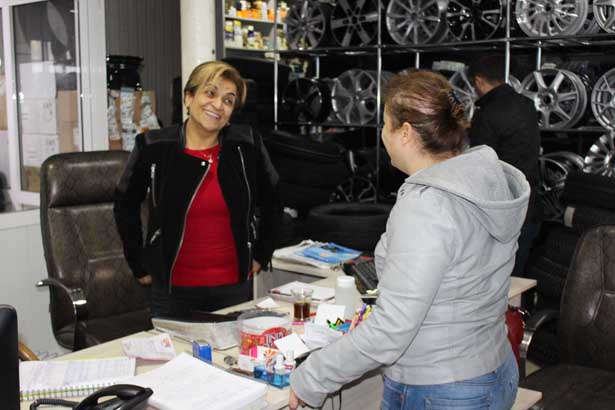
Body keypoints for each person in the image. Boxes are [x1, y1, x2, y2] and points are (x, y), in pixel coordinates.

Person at [289, 70, 530, 410]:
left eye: (385, 124)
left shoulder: (427, 205)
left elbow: (391, 330)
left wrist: (312, 377)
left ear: (404, 132)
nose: (382, 134)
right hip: (493, 369)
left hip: (441, 389)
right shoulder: (483, 180)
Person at [114, 61, 280, 316]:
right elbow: (125, 204)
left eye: (228, 100)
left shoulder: (247, 143)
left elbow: (274, 198)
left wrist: (261, 253)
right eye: (210, 93)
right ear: (188, 98)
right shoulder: (153, 146)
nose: (218, 105)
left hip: (234, 287)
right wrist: (139, 263)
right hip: (172, 289)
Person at [468, 55, 542, 278]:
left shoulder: (487, 114)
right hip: (529, 206)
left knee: (497, 282)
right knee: (517, 279)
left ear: (479, 81)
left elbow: (479, 167)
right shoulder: (527, 105)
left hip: (501, 215)